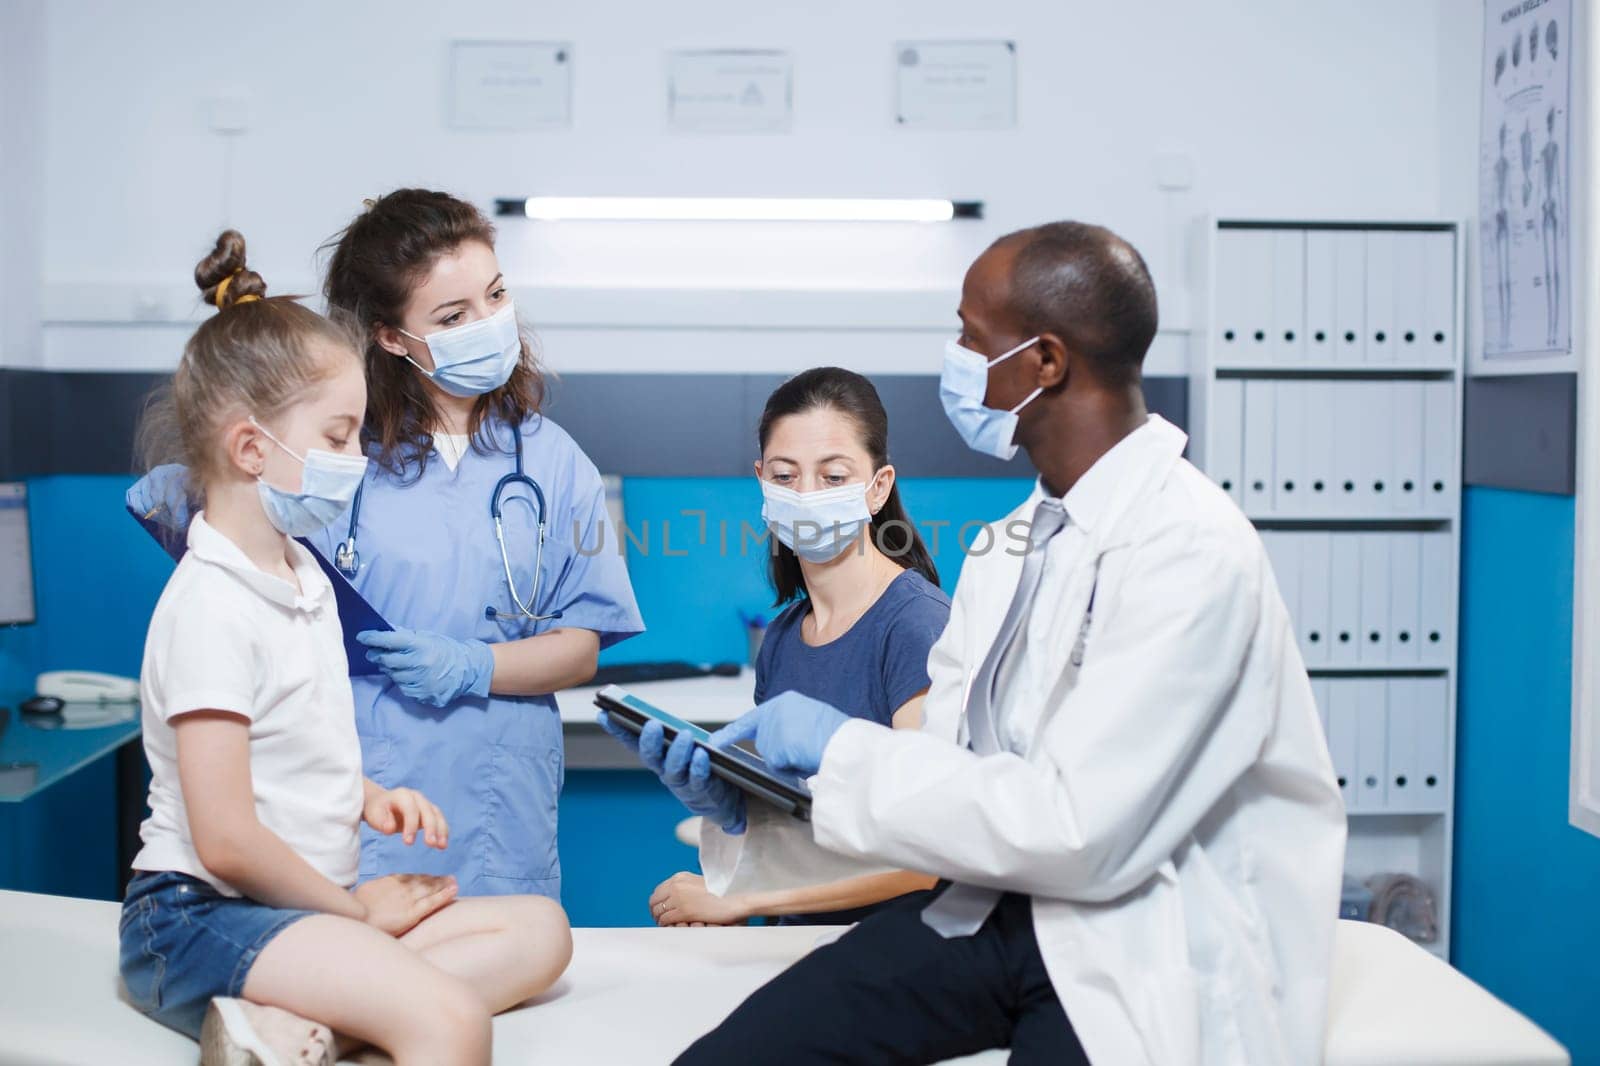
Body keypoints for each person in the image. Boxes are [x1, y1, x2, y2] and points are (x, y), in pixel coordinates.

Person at [665, 223, 1346, 1065]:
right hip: (998, 916)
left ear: (1044, 363)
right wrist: (756, 823)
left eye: (969, 336)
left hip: (1140, 938)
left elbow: (1074, 830)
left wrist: (835, 747)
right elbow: (943, 786)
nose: (955, 359)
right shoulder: (1011, 546)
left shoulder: (1192, 548)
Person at [120, 232, 571, 1066]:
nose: (354, 461)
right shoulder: (211, 607)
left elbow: (280, 740)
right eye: (335, 438)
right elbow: (223, 840)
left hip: (287, 911)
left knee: (540, 932)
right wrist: (352, 911)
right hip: (197, 918)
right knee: (452, 1024)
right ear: (253, 448)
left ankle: (303, 1029)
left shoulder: (302, 577)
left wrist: (364, 796)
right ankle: (343, 1011)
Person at [130, 189, 644, 899]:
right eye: (453, 316)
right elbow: (209, 495)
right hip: (361, 802)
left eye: (496, 296)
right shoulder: (331, 462)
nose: (490, 324)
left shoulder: (555, 463)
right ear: (391, 336)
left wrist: (471, 665)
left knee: (515, 960)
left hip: (502, 802)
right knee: (362, 978)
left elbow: (582, 645)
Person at [605, 368, 950, 926]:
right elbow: (798, 823)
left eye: (833, 476)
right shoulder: (785, 638)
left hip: (893, 954)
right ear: (761, 480)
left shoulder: (917, 628)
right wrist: (732, 803)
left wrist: (743, 896)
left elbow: (930, 857)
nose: (806, 496)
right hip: (791, 943)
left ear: (878, 486)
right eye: (785, 476)